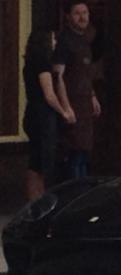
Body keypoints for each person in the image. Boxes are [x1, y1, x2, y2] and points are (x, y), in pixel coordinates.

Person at [22, 30, 75, 200]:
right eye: (52, 39)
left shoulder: (30, 61)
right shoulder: (42, 64)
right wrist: (64, 112)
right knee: (42, 161)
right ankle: (38, 199)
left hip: (32, 112)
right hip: (42, 115)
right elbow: (49, 94)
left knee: (35, 160)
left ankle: (35, 199)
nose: (54, 42)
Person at [53, 0, 101, 179]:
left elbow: (86, 74)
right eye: (77, 13)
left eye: (85, 13)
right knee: (74, 154)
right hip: (72, 104)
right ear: (68, 17)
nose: (82, 17)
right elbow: (58, 77)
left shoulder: (85, 41)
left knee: (84, 153)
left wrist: (93, 96)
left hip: (85, 103)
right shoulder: (65, 41)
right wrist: (66, 107)